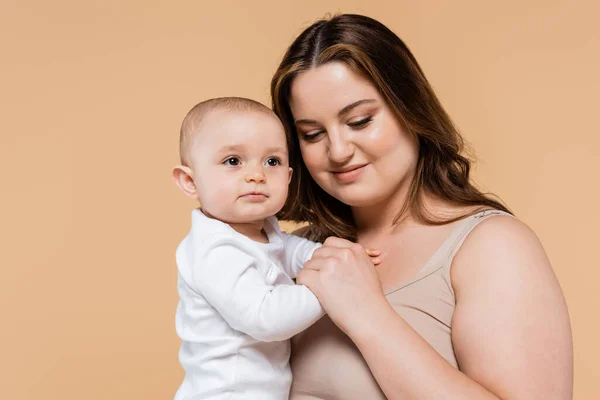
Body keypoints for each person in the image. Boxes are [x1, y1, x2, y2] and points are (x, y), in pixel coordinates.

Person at [270, 14, 573, 400]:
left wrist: (367, 314)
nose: (339, 150)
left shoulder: (492, 247)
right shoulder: (294, 252)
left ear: (408, 106)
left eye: (360, 121)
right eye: (312, 134)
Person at [170, 97, 381, 400]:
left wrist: (332, 253)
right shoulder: (214, 251)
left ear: (289, 177)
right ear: (190, 181)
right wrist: (334, 286)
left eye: (272, 162)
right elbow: (266, 317)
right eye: (233, 161)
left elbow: (290, 250)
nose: (257, 174)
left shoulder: (263, 228)